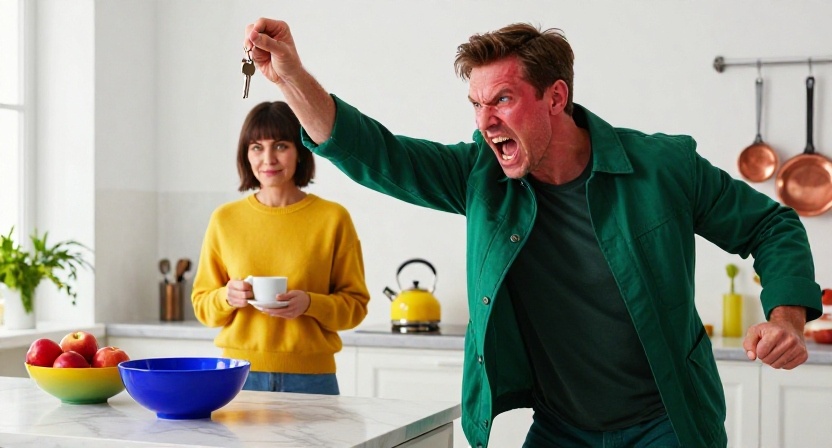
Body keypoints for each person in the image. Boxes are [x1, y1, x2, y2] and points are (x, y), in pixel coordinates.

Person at [243, 19, 823, 447]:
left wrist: (787, 319)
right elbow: (375, 153)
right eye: (476, 104)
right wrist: (290, 75)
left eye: (502, 99)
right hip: (562, 428)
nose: (485, 121)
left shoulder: (662, 166)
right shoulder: (479, 176)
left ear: (556, 97)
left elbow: (771, 223)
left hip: (668, 423)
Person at [191, 101, 370, 395]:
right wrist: (227, 297)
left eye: (281, 146)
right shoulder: (225, 219)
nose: (268, 159)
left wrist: (310, 303)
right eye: (257, 147)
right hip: (239, 376)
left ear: (300, 151)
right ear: (246, 155)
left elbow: (355, 307)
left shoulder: (333, 218)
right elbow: (202, 305)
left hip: (313, 378)